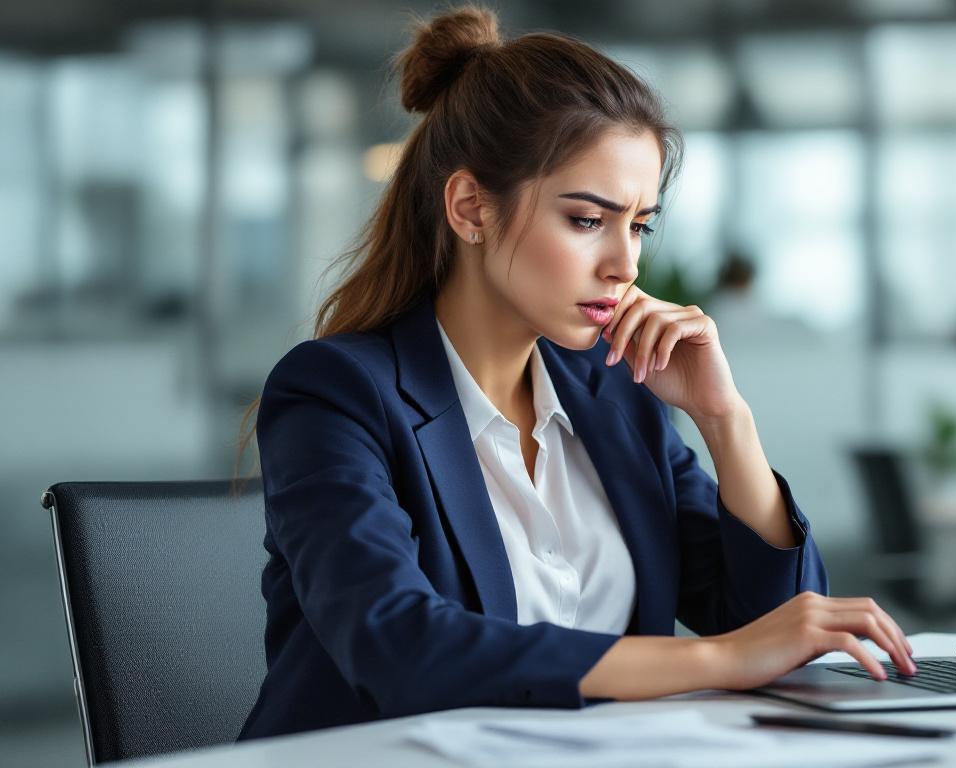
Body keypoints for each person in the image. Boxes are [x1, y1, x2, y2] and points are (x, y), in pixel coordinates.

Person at [236, 5, 914, 740]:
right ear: (469, 208)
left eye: (640, 224)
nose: (625, 264)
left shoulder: (612, 392)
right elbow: (402, 648)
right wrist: (716, 659)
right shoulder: (338, 392)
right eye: (588, 220)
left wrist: (726, 420)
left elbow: (773, 630)